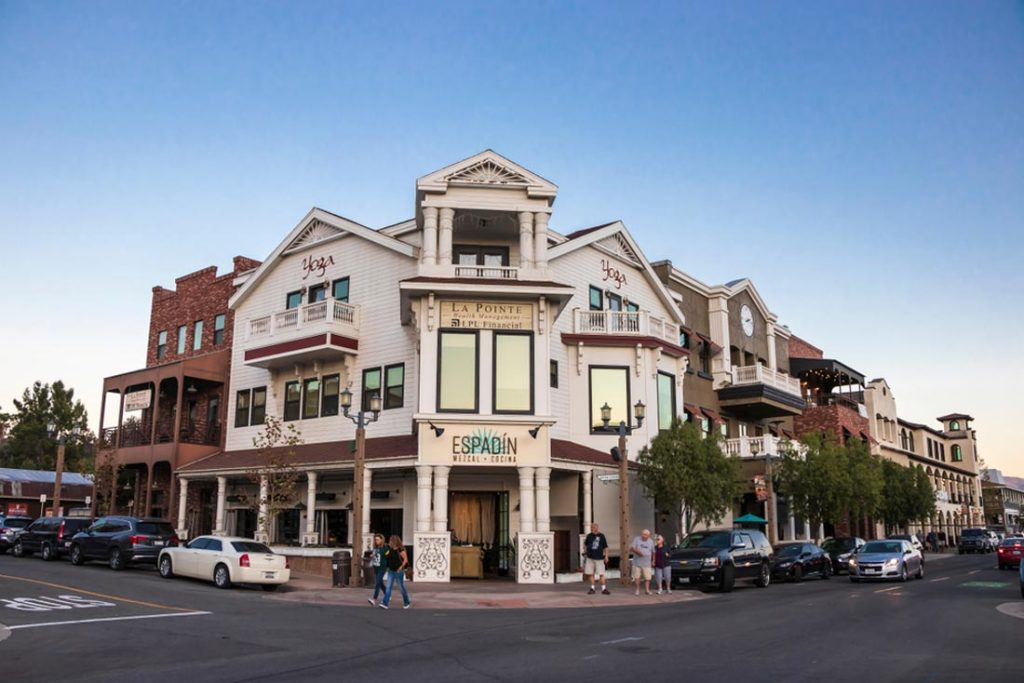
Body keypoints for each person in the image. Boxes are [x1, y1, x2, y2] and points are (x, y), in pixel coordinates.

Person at [380, 535, 410, 610]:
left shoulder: (400, 550)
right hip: (391, 570)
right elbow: (387, 557)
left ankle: (406, 601)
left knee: (401, 587)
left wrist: (400, 568)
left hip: (398, 571)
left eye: (391, 540)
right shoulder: (390, 549)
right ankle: (385, 603)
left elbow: (405, 560)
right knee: (388, 587)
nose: (390, 542)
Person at [582, 523, 611, 595]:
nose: (593, 529)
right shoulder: (589, 536)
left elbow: (606, 547)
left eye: (594, 528)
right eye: (592, 528)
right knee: (590, 573)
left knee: (601, 573)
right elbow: (585, 544)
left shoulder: (601, 536)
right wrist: (585, 551)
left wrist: (606, 556)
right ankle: (592, 588)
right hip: (590, 558)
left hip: (600, 558)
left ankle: (604, 589)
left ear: (597, 528)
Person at [631, 529, 656, 596]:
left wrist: (653, 560)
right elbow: (632, 548)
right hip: (637, 562)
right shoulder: (637, 539)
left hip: (647, 563)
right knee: (637, 577)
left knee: (647, 578)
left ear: (648, 535)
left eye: (645, 535)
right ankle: (637, 590)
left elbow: (653, 552)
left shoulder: (651, 541)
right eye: (642, 534)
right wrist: (637, 552)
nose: (643, 536)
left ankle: (647, 590)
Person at [368, 534, 388, 606]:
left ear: (381, 540)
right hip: (376, 567)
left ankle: (374, 599)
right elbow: (374, 555)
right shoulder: (375, 548)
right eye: (375, 539)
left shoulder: (385, 548)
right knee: (380, 583)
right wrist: (372, 555)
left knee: (377, 583)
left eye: (377, 539)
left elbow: (388, 556)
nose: (376, 541)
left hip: (382, 568)